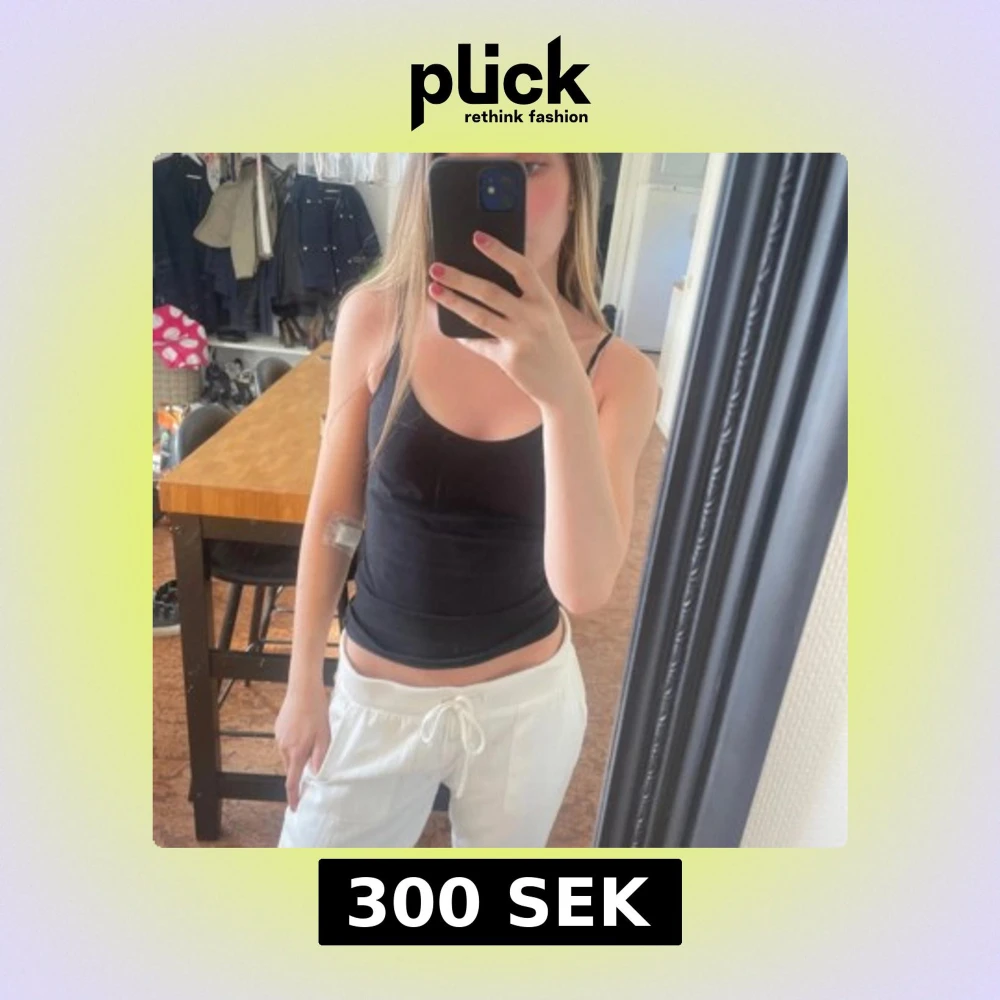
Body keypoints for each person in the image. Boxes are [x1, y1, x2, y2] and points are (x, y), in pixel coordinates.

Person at [275, 153, 660, 848]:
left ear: (578, 189)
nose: (500, 195)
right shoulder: (377, 317)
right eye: (469, 168)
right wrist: (303, 681)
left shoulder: (619, 375)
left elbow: (584, 589)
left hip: (525, 708)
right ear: (430, 185)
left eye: (530, 168)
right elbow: (335, 516)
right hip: (376, 695)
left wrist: (563, 397)